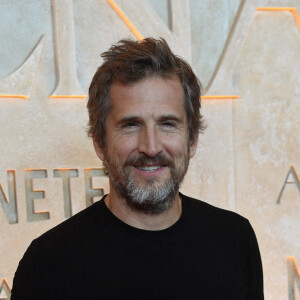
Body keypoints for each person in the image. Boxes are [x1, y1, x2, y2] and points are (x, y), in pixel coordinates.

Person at [11, 38, 264, 299]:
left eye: (167, 123)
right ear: (100, 142)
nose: (151, 147)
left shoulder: (234, 238)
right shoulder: (48, 265)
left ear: (192, 140)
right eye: (131, 125)